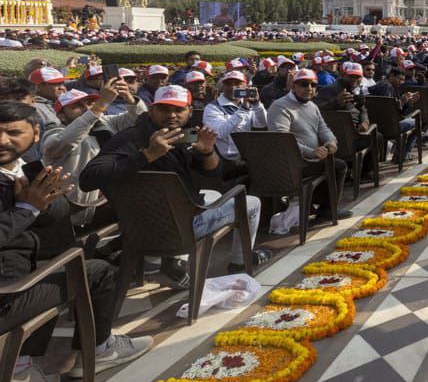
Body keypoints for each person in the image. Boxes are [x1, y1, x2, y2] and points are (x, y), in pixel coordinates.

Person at [1, 102, 153, 382]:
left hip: (21, 273)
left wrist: (43, 202)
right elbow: (30, 212)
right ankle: (96, 349)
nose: (2, 140)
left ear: (35, 134)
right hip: (8, 293)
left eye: (12, 132)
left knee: (66, 261)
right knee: (97, 273)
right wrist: (27, 208)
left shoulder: (23, 170)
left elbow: (51, 213)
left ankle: (24, 361)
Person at [80, 85, 271, 282]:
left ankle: (168, 261)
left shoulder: (184, 137)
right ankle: (239, 263)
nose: (171, 115)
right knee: (252, 203)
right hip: (178, 230)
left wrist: (207, 152)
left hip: (136, 229)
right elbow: (87, 179)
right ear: (151, 111)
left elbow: (214, 175)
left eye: (178, 109)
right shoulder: (131, 138)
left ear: (190, 111)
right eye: (164, 109)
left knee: (210, 194)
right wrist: (148, 155)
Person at [41, 81, 147, 223]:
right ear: (61, 116)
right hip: (80, 208)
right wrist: (99, 106)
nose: (86, 109)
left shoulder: (107, 122)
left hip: (116, 198)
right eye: (77, 106)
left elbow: (140, 121)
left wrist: (130, 99)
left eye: (89, 104)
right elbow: (66, 141)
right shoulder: (54, 134)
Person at [266, 69, 350, 222]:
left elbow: (323, 128)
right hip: (290, 163)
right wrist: (311, 152)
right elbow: (282, 141)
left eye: (313, 85)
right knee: (338, 166)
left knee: (335, 160)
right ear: (293, 87)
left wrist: (331, 142)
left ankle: (323, 207)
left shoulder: (312, 106)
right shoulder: (280, 107)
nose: (309, 88)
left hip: (308, 160)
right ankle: (326, 209)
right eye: (304, 84)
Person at [202, 70, 268, 179]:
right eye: (229, 84)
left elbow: (262, 124)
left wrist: (257, 104)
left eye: (238, 84)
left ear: (246, 86)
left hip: (247, 157)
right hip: (225, 160)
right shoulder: (212, 107)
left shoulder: (249, 103)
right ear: (223, 87)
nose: (233, 87)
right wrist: (243, 109)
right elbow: (219, 133)